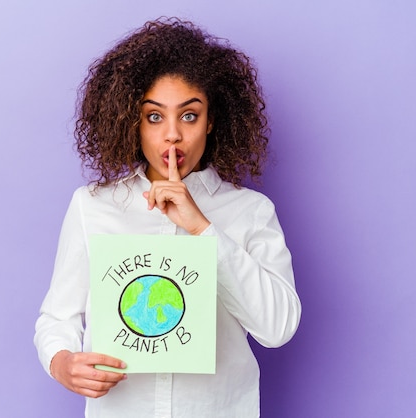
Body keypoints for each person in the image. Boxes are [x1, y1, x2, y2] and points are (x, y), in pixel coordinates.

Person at [34, 17, 301, 417]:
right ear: (133, 122)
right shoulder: (93, 206)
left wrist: (203, 229)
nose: (172, 134)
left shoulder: (250, 212)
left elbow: (278, 327)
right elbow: (57, 317)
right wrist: (62, 363)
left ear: (211, 121)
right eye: (155, 116)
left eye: (189, 116)